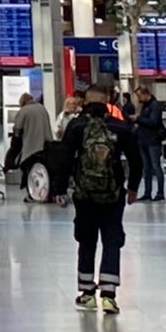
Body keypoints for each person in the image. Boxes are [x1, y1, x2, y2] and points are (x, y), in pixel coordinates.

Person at [64, 86, 132, 314]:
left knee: (87, 241)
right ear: (108, 101)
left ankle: (86, 293)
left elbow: (65, 157)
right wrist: (132, 188)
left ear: (85, 101)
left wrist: (59, 188)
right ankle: (109, 294)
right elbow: (136, 159)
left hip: (85, 195)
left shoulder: (77, 126)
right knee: (112, 241)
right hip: (113, 195)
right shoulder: (119, 126)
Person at [6, 85, 56, 201]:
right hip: (46, 145)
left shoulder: (24, 111)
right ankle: (48, 194)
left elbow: (17, 128)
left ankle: (32, 194)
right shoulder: (42, 108)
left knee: (30, 171)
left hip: (31, 147)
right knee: (45, 171)